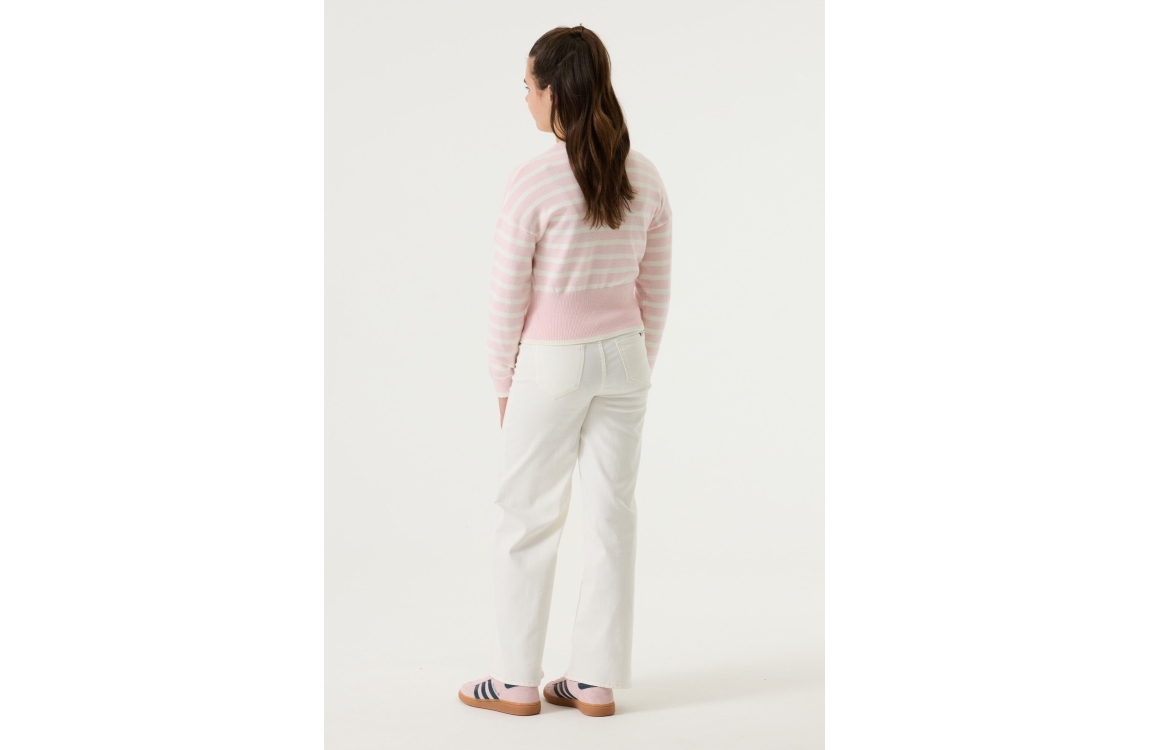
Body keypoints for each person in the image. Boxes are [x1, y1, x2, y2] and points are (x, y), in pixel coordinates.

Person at [458, 24, 672, 718]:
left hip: (550, 365)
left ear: (554, 93)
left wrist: (502, 382)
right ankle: (594, 681)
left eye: (528, 86)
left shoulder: (534, 181)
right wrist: (636, 362)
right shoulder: (644, 174)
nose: (525, 98)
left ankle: (516, 681)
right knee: (612, 517)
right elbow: (655, 288)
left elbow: (507, 298)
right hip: (626, 357)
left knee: (525, 516)